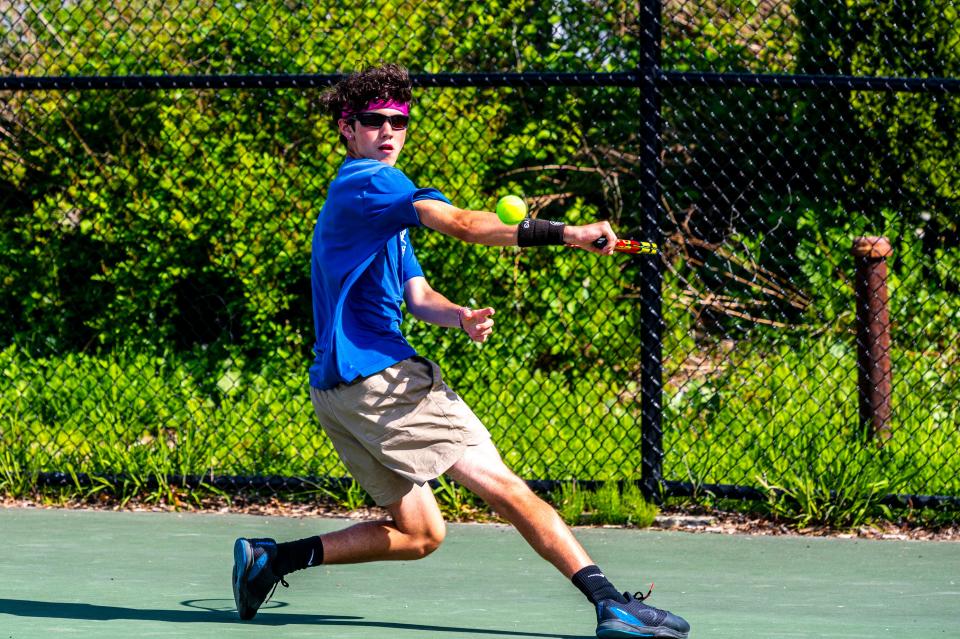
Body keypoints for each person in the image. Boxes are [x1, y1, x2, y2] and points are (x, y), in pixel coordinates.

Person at [231, 63, 690, 639]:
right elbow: (466, 225)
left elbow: (417, 297)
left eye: (399, 120)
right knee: (504, 485)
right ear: (347, 128)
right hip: (382, 381)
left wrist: (459, 317)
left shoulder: (377, 213)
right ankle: (610, 604)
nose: (389, 131)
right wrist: (566, 233)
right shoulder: (372, 183)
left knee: (420, 533)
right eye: (373, 121)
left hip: (338, 393)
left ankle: (270, 560)